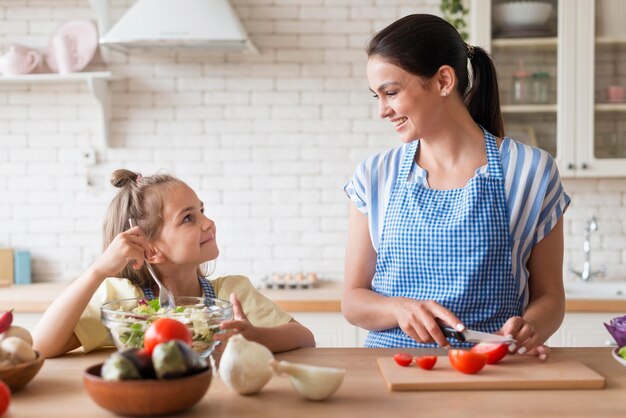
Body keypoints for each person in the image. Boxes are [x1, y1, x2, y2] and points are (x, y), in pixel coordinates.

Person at [341, 14, 570, 359]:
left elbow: (551, 296)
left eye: (390, 93)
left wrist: (531, 326)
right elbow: (353, 299)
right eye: (377, 96)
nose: (382, 111)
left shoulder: (530, 171)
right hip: (393, 369)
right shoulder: (374, 175)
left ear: (443, 80)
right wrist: (398, 309)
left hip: (494, 369)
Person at [33, 169, 315, 358]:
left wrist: (254, 336)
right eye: (189, 218)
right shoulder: (124, 305)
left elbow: (303, 337)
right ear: (151, 249)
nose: (209, 223)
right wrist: (98, 271)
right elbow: (41, 346)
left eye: (202, 211)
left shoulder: (230, 294)